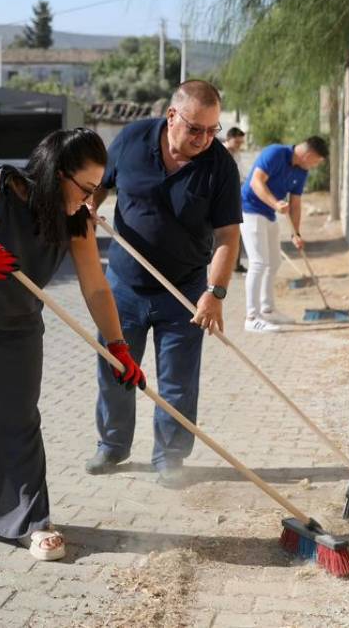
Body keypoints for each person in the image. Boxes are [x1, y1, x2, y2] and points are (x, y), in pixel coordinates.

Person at [0, 128, 148, 562]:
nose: (91, 199)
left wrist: (118, 346)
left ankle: (32, 520)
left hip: (16, 321)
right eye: (87, 188)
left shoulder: (76, 220)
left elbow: (96, 289)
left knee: (18, 417)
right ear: (59, 173)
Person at [85, 80, 242, 488]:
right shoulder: (132, 139)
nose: (205, 139)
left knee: (177, 380)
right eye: (196, 129)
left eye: (213, 130)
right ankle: (113, 445)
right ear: (172, 116)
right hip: (123, 285)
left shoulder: (220, 165)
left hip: (185, 291)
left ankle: (170, 456)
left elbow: (227, 237)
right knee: (116, 368)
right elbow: (100, 184)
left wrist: (216, 292)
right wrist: (88, 206)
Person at [240, 136, 328, 333]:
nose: (314, 166)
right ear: (308, 155)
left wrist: (295, 233)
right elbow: (256, 182)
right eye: (316, 162)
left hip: (269, 214)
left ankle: (267, 310)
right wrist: (276, 203)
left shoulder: (301, 171)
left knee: (274, 262)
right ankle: (252, 317)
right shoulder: (275, 153)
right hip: (249, 209)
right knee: (258, 262)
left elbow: (295, 203)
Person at [222, 126, 248, 273]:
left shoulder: (236, 153)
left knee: (235, 230)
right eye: (237, 142)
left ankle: (235, 264)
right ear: (229, 139)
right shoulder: (222, 153)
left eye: (241, 143)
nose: (239, 146)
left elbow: (242, 174)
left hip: (236, 194)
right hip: (224, 197)